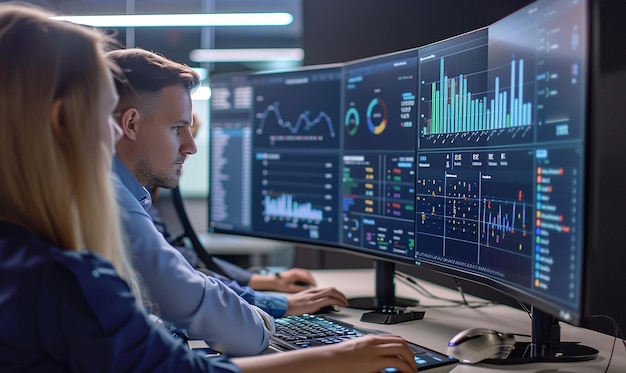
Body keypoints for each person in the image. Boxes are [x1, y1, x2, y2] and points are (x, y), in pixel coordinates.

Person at [0, 3, 421, 372]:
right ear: (62, 123)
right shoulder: (65, 281)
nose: (112, 134)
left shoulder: (22, 256)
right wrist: (333, 358)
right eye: (101, 114)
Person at [107, 47, 351, 353]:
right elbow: (197, 305)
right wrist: (267, 319)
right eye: (177, 128)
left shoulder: (114, 191)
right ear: (130, 124)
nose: (191, 146)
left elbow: (172, 285)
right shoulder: (110, 199)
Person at [150, 112, 318, 293]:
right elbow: (177, 272)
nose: (190, 149)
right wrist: (276, 303)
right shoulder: (132, 201)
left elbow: (181, 258)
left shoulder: (142, 195)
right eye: (176, 131)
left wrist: (262, 281)